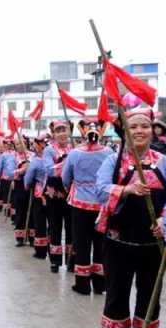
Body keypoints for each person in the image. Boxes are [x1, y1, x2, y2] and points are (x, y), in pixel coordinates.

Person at [95, 109, 166, 328]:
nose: (139, 131)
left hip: (153, 242)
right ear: (125, 131)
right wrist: (127, 189)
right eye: (133, 127)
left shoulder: (164, 162)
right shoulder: (113, 161)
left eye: (145, 126)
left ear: (152, 130)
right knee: (117, 292)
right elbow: (100, 190)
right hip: (118, 240)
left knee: (149, 295)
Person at [62, 120, 113, 295]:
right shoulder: (109, 153)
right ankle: (100, 284)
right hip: (102, 204)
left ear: (84, 133)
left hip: (80, 204)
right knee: (100, 244)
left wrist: (71, 187)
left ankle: (82, 284)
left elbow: (65, 177)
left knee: (82, 244)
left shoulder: (75, 153)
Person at [43, 120, 74, 273]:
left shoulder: (74, 148)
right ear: (54, 134)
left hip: (70, 193)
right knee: (55, 226)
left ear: (69, 132)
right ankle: (55, 261)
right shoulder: (49, 150)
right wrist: (68, 163)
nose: (62, 133)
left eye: (64, 130)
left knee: (71, 227)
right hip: (54, 193)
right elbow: (49, 170)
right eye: (58, 130)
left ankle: (71, 260)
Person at [24, 134, 49, 259]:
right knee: (54, 223)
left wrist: (27, 186)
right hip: (52, 193)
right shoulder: (54, 158)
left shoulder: (36, 161)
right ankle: (52, 249)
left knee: (40, 223)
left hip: (39, 193)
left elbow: (28, 179)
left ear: (40, 145)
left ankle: (41, 251)